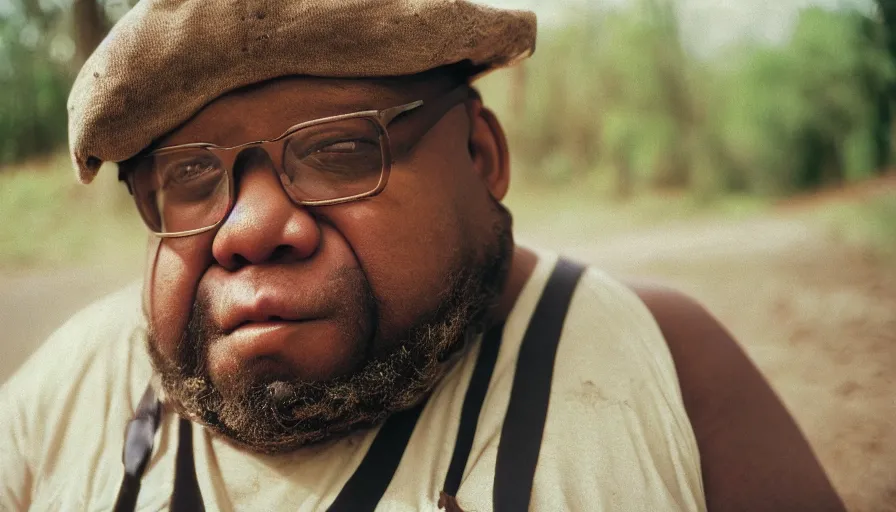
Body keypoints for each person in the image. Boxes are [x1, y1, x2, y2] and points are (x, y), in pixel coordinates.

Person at [0, 1, 845, 510]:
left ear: (481, 157)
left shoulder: (660, 359)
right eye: (188, 175)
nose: (250, 228)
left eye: (338, 150)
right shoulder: (70, 390)